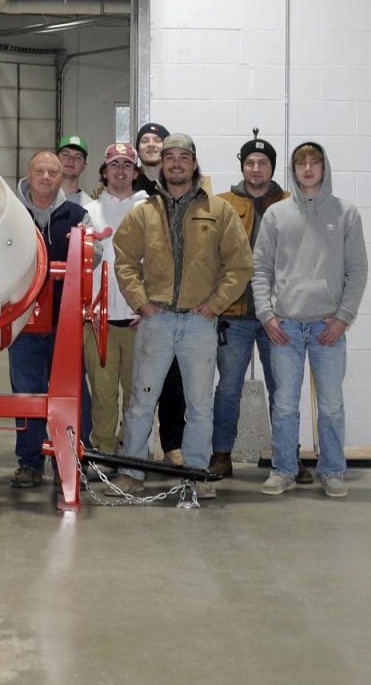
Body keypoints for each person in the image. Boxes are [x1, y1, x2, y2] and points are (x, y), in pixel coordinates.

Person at [111, 133, 252, 498]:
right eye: (169, 157)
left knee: (200, 405)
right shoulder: (145, 211)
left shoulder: (218, 211)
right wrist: (141, 302)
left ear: (193, 163)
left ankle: (195, 474)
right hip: (156, 321)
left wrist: (214, 305)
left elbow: (240, 264)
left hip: (199, 323)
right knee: (142, 402)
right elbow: (124, 259)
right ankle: (131, 472)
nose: (175, 163)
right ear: (162, 164)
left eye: (183, 157)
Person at [253, 142, 368, 498]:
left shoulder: (345, 213)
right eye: (301, 162)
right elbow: (260, 269)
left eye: (314, 162)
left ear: (324, 167)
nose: (307, 168)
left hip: (327, 327)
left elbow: (357, 271)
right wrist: (267, 315)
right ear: (293, 169)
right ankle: (284, 470)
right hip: (285, 326)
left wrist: (343, 318)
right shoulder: (276, 215)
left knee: (331, 404)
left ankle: (332, 471)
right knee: (285, 404)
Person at [209, 132, 294, 479]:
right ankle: (221, 454)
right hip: (235, 313)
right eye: (250, 163)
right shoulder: (222, 203)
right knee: (229, 387)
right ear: (242, 166)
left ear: (272, 167)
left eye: (262, 163)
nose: (256, 168)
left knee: (282, 388)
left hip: (278, 315)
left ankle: (286, 457)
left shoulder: (291, 203)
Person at [9, 149, 92, 487]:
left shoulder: (78, 214)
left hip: (65, 322)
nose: (46, 177)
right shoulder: (9, 214)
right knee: (26, 392)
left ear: (62, 178)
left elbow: (94, 255)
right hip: (23, 322)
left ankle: (70, 460)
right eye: (39, 171)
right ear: (28, 174)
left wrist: (83, 245)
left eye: (52, 172)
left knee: (72, 392)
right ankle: (29, 463)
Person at [82, 143, 147, 461]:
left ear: (136, 172)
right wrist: (86, 308)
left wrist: (150, 306)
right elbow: (81, 266)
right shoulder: (89, 211)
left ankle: (133, 453)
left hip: (141, 319)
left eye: (126, 164)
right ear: (104, 171)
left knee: (139, 396)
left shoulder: (150, 209)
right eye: (114, 165)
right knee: (103, 395)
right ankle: (105, 452)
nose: (120, 170)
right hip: (99, 320)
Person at [133, 121, 188, 464]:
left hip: (175, 306)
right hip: (140, 306)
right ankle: (136, 449)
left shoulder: (188, 192)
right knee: (138, 387)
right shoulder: (121, 186)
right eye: (145, 140)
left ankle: (172, 446)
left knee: (173, 383)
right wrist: (139, 302)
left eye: (158, 140)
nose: (151, 144)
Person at [57, 134, 92, 207]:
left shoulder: (89, 206)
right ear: (55, 160)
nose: (71, 159)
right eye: (65, 155)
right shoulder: (41, 197)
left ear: (84, 166)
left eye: (78, 157)